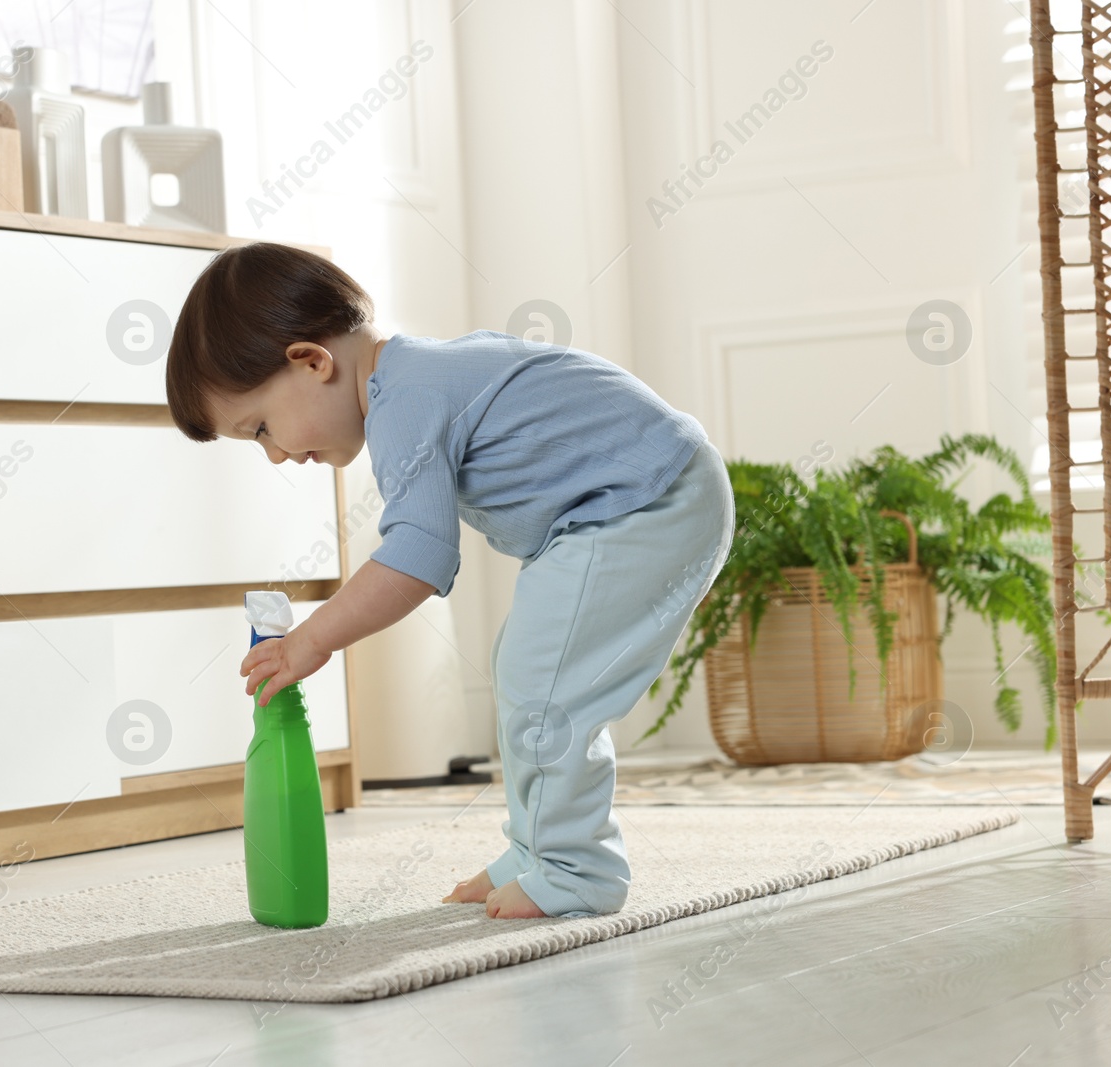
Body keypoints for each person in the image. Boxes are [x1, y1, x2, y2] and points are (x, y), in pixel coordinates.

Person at [164, 242, 735, 919]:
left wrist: (313, 639)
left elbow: (420, 555)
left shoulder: (404, 401)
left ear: (311, 361)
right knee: (528, 675)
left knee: (542, 683)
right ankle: (537, 849)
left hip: (648, 499)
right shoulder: (415, 376)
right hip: (646, 495)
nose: (277, 454)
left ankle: (579, 869)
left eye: (261, 427)